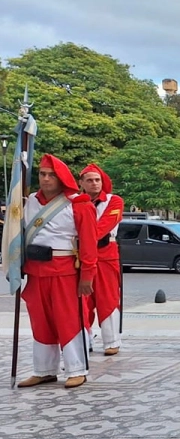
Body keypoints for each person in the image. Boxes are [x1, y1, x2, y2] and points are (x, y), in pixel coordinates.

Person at [17, 154, 98, 389]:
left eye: (51, 175)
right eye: (42, 174)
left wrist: (87, 275)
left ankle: (77, 369)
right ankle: (44, 370)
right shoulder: (28, 201)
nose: (45, 179)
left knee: (69, 320)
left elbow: (89, 243)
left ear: (62, 178)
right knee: (40, 322)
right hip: (35, 270)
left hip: (65, 271)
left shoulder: (78, 204)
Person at [79, 163, 124, 356]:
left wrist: (83, 237)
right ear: (81, 183)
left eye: (97, 180)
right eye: (89, 180)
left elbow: (104, 226)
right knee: (82, 300)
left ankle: (111, 341)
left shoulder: (114, 201)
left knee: (108, 298)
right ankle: (83, 339)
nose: (94, 184)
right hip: (80, 254)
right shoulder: (76, 202)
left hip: (105, 253)